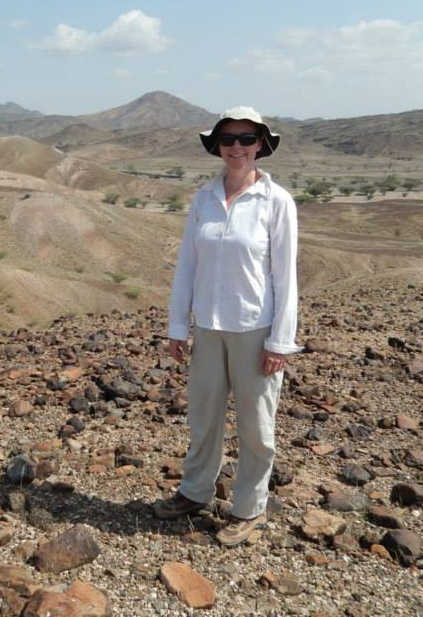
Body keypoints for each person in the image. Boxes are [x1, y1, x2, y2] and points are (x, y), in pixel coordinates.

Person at [154, 105, 301, 547]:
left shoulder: (276, 201)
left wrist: (281, 340)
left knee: (256, 425)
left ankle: (249, 507)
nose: (237, 147)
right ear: (217, 145)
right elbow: (187, 266)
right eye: (228, 138)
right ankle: (195, 492)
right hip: (209, 327)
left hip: (254, 328)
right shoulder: (204, 200)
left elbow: (286, 276)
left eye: (246, 139)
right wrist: (179, 325)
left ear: (260, 145)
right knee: (204, 415)